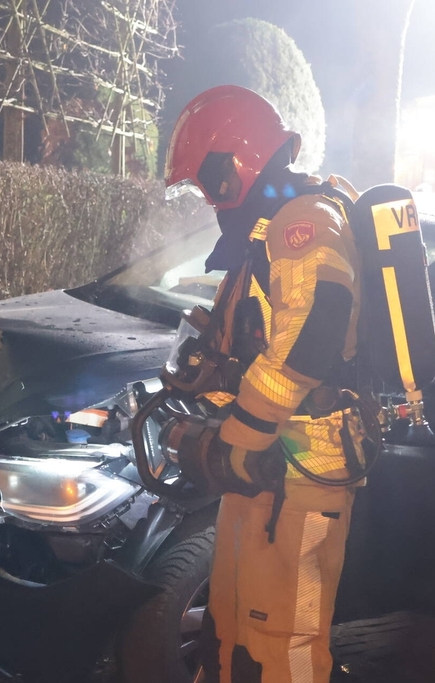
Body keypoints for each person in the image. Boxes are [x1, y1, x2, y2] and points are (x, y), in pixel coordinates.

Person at [163, 85, 365, 683]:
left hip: (303, 467)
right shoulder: (268, 224)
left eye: (207, 182)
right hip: (266, 464)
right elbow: (260, 335)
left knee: (282, 643)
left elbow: (312, 337)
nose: (208, 198)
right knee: (231, 627)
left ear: (231, 167)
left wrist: (241, 433)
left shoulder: (304, 221)